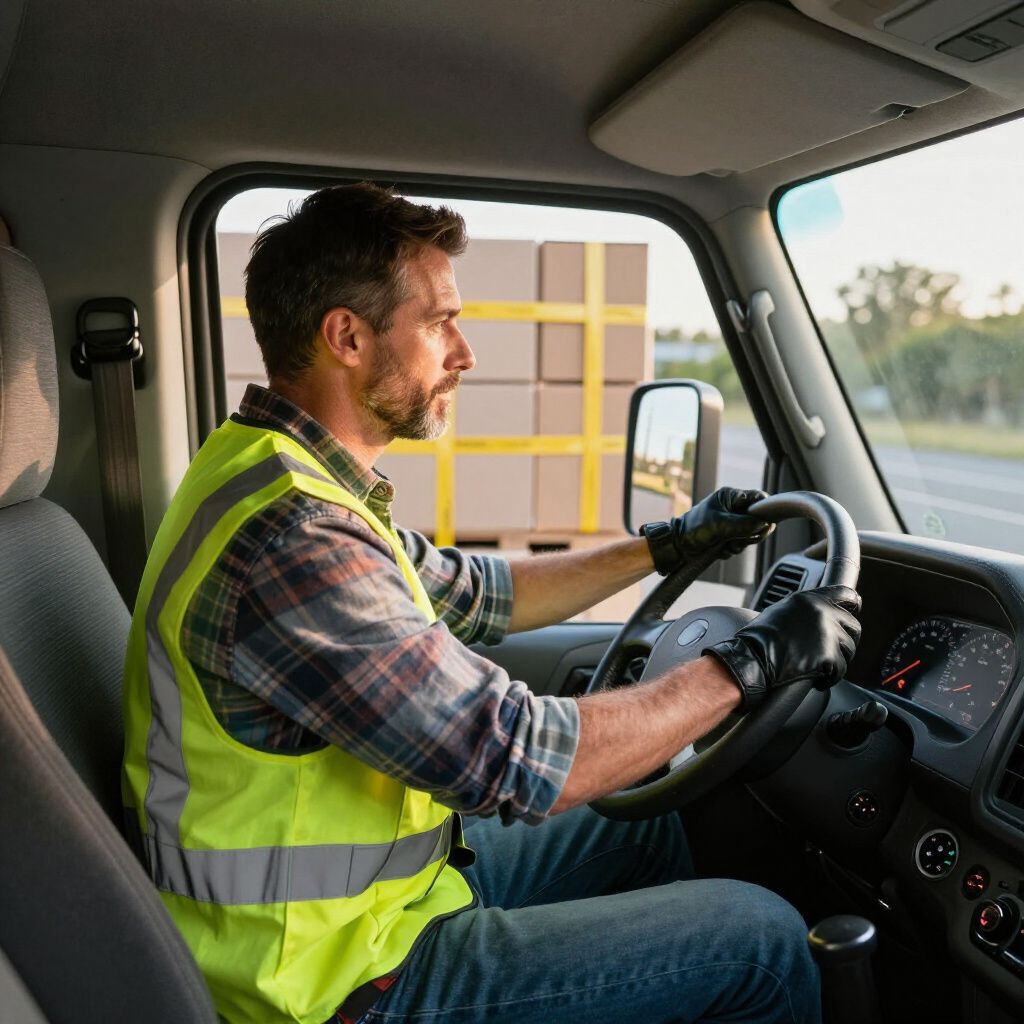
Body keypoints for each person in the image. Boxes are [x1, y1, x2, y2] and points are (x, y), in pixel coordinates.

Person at [122, 182, 861, 1024]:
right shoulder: (298, 540)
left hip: (378, 910)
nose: (465, 353)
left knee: (645, 826)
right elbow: (516, 758)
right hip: (327, 985)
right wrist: (747, 666)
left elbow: (480, 594)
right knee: (763, 942)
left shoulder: (274, 473)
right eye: (440, 321)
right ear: (347, 337)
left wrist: (670, 545)